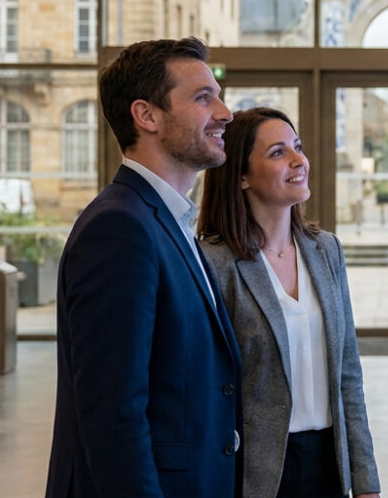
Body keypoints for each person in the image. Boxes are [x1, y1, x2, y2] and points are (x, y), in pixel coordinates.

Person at [46, 37, 243, 498]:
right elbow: (114, 414)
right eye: (203, 98)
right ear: (147, 115)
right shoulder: (119, 227)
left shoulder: (165, 220)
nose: (225, 112)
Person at [198, 107, 381, 498]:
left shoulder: (325, 250)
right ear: (242, 176)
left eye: (297, 147)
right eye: (278, 152)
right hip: (255, 474)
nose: (299, 161)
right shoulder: (215, 262)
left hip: (330, 466)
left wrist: (365, 482)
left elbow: (348, 374)